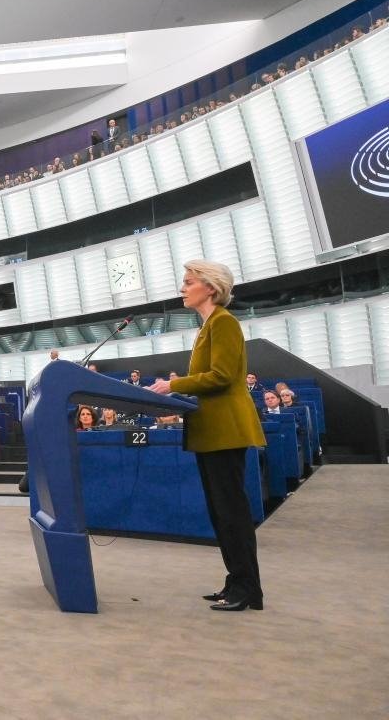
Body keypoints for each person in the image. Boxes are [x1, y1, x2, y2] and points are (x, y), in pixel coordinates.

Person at [150, 260, 266, 612]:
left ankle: (248, 588)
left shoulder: (224, 323)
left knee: (232, 513)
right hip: (211, 431)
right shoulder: (208, 327)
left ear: (210, 288)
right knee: (221, 513)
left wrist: (173, 385)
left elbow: (221, 376)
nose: (182, 288)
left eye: (188, 282)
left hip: (226, 431)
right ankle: (237, 583)